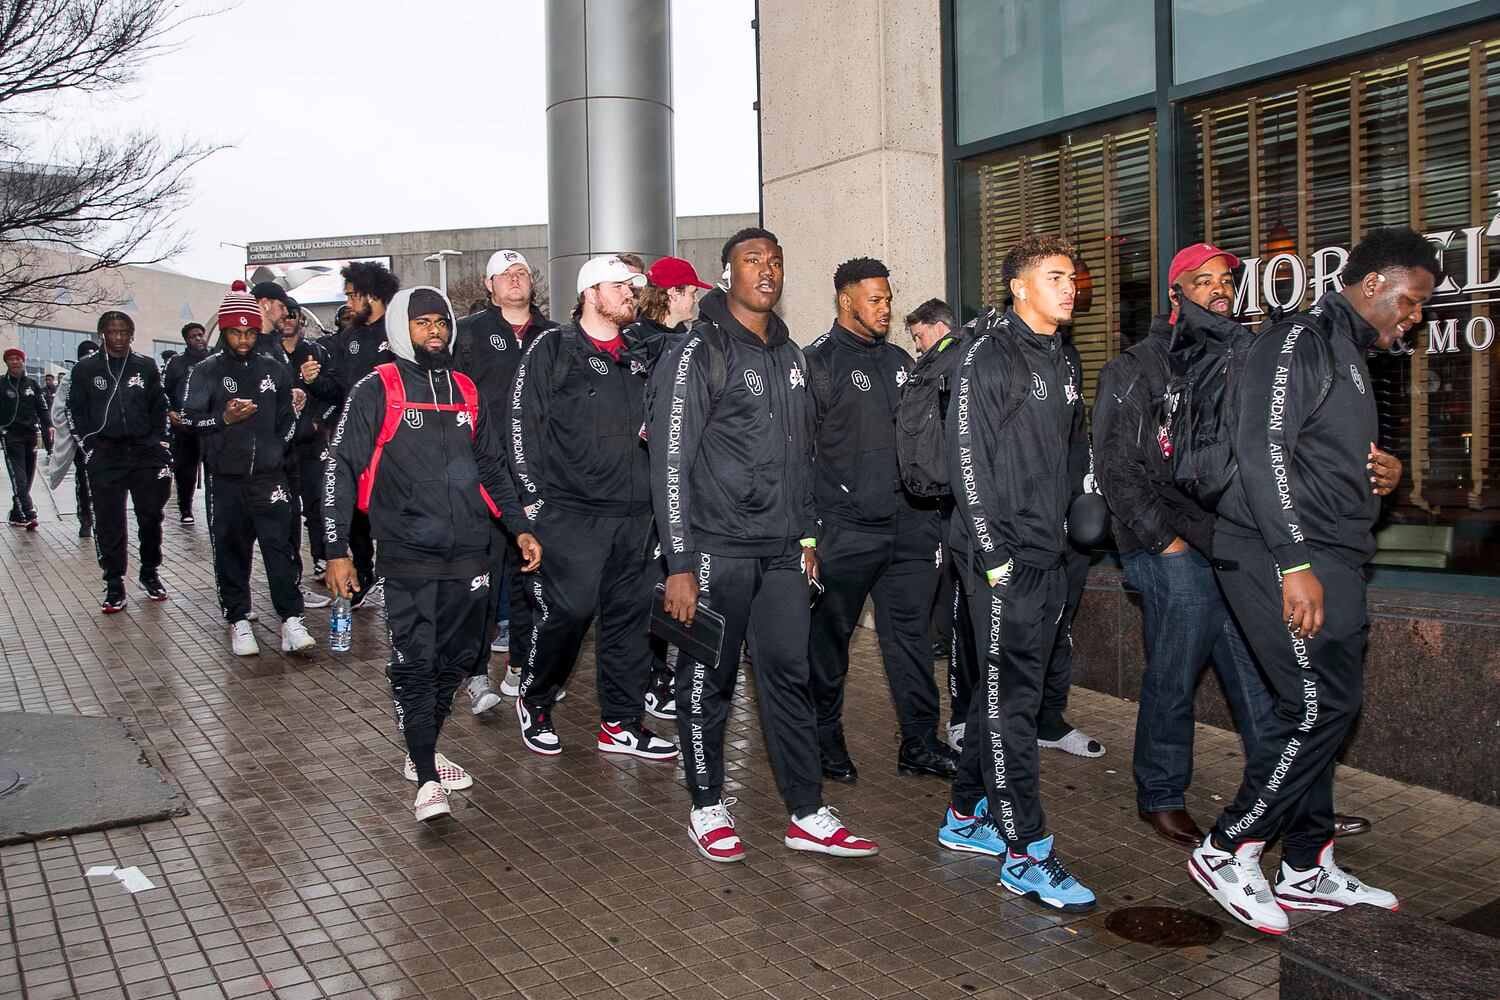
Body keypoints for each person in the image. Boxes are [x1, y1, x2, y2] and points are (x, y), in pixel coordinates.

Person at [1188, 228, 1436, 934]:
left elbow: (1320, 459)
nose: (1413, 318)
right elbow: (1261, 449)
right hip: (1277, 555)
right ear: (1375, 283)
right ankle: (1228, 847)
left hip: (1333, 557)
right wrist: (1295, 563)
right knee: (1314, 707)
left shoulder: (1351, 357)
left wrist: (1385, 479)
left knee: (1329, 710)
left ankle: (1305, 867)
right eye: (1412, 302)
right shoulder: (1300, 339)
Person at [1094, 243, 1374, 848]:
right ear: (1175, 293)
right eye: (1203, 281)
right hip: (1172, 544)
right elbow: (1117, 466)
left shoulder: (1251, 351)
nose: (1221, 289)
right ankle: (1161, 793)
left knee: (1263, 678)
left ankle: (1289, 801)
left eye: (1227, 279)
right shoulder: (1137, 366)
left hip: (1236, 539)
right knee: (1175, 671)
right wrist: (1164, 542)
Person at [650, 227, 880, 863]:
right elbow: (670, 461)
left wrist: (807, 535)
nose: (767, 270)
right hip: (716, 551)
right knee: (707, 681)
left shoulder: (792, 357)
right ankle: (706, 805)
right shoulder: (699, 348)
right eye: (752, 260)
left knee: (789, 679)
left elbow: (801, 458)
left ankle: (805, 811)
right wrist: (680, 563)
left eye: (775, 261)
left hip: (782, 552)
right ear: (727, 274)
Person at [324, 285, 542, 823]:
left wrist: (518, 528)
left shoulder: (467, 390)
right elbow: (340, 466)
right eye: (422, 323)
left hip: (472, 552)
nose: (435, 331)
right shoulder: (379, 388)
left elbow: (491, 468)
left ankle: (424, 742)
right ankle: (425, 774)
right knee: (416, 662)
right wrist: (336, 550)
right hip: (407, 552)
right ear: (402, 329)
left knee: (461, 657)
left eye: (441, 321)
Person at [935, 234, 1096, 913]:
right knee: (1011, 709)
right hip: (1000, 560)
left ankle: (965, 817)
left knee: (1003, 696)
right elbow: (964, 460)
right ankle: (1026, 850)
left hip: (1047, 554)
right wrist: (996, 558)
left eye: (1072, 277)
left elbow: (1067, 451)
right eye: (1055, 277)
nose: (1070, 288)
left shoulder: (1061, 358)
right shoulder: (987, 357)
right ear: (1021, 287)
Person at [509, 255, 677, 762]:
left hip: (636, 518)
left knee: (629, 622)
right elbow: (521, 426)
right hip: (571, 514)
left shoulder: (643, 350)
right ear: (590, 292)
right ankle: (535, 700)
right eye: (621, 285)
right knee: (568, 613)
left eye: (634, 286)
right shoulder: (553, 347)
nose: (632, 292)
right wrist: (532, 504)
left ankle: (620, 722)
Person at [804, 258, 955, 783]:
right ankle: (823, 739)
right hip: (845, 529)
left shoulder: (899, 359)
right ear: (846, 300)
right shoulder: (817, 363)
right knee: (830, 641)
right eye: (875, 299)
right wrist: (809, 534)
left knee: (911, 641)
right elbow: (799, 453)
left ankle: (919, 743)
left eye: (888, 299)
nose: (886, 308)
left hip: (910, 527)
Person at [180, 282, 314, 656]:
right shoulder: (204, 371)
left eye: (250, 331)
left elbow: (289, 418)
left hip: (270, 477)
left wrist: (277, 446)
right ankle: (238, 619)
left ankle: (291, 620)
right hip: (227, 480)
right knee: (231, 551)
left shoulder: (274, 368)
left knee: (280, 549)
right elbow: (189, 420)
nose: (244, 339)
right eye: (236, 331)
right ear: (223, 331)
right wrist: (222, 418)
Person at [451, 249, 558, 710]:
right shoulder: (469, 334)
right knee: (482, 581)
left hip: (541, 478)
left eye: (522, 274)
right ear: (489, 285)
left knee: (531, 577)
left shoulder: (555, 336)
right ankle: (475, 675)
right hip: (484, 475)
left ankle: (521, 668)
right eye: (505, 275)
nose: (515, 280)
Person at [623, 255, 713, 722]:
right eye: (688, 290)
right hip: (642, 488)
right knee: (647, 588)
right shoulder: (636, 344)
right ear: (671, 295)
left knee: (664, 585)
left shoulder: (693, 340)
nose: (695, 297)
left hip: (681, 487)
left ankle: (660, 675)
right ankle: (650, 679)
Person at [302, 260, 399, 608]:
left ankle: (392, 577)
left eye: (353, 295)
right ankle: (363, 572)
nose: (349, 303)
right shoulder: (349, 337)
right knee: (356, 512)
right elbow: (339, 388)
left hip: (393, 440)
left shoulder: (399, 330)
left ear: (373, 295)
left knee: (390, 511)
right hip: (357, 439)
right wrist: (314, 382)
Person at [66, 311, 172, 612]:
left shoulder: (146, 365)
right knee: (110, 521)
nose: (119, 337)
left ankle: (150, 572)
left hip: (144, 452)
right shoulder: (86, 369)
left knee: (151, 516)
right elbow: (74, 410)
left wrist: (161, 441)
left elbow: (159, 406)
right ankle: (114, 582)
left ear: (132, 334)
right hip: (106, 455)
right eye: (113, 331)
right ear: (102, 333)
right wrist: (88, 446)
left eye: (125, 331)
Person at [49, 341, 98, 536]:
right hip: (82, 441)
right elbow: (60, 410)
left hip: (106, 441)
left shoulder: (105, 375)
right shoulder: (71, 379)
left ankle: (103, 518)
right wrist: (75, 434)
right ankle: (85, 519)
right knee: (84, 480)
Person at [164, 322, 210, 524]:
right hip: (185, 426)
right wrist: (170, 411)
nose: (198, 339)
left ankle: (214, 506)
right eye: (194, 336)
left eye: (201, 335)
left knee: (216, 467)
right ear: (186, 339)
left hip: (212, 423)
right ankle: (186, 508)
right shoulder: (176, 363)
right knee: (186, 470)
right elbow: (166, 392)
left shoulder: (214, 358)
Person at [3, 348, 51, 529]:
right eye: (11, 359)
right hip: (10, 435)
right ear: (7, 363)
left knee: (29, 476)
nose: (15, 362)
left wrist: (49, 426)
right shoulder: (1, 384)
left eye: (18, 359)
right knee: (19, 476)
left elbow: (42, 408)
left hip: (30, 435)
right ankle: (29, 512)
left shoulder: (32, 384)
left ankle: (16, 513)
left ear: (23, 361)